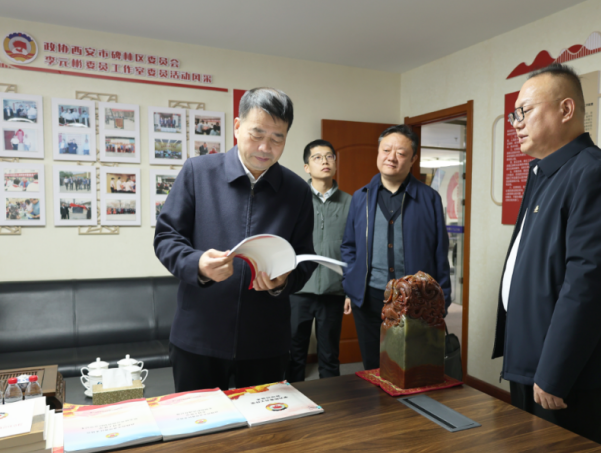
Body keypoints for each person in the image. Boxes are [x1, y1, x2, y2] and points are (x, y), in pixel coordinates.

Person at [494, 64, 601, 446]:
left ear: (566, 109)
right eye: (514, 115)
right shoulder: (544, 173)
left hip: (561, 367)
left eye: (525, 111)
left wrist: (554, 372)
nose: (516, 123)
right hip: (529, 353)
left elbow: (588, 285)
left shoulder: (597, 174)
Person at [154, 87, 316, 393]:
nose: (265, 147)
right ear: (238, 127)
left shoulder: (297, 190)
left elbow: (305, 256)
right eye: (257, 134)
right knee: (200, 421)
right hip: (199, 338)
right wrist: (197, 264)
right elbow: (166, 237)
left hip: (266, 343)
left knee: (265, 424)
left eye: (277, 138)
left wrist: (284, 281)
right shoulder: (198, 172)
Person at [341, 124, 451, 370]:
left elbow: (439, 252)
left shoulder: (429, 198)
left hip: (415, 298)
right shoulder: (361, 197)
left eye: (400, 153)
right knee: (373, 365)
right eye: (386, 150)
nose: (391, 157)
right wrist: (351, 283)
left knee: (410, 366)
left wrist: (442, 297)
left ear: (413, 159)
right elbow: (349, 246)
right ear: (378, 153)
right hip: (369, 297)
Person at [287, 140, 352, 382]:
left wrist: (350, 291)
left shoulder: (351, 203)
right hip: (298, 289)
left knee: (329, 356)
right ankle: (293, 401)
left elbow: (355, 249)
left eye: (329, 156)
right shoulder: (295, 200)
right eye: (317, 157)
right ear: (307, 167)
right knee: (294, 355)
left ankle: (331, 401)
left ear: (335, 163)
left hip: (334, 291)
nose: (324, 161)